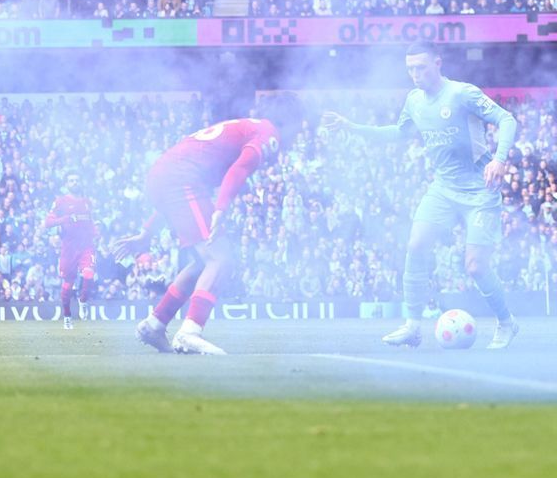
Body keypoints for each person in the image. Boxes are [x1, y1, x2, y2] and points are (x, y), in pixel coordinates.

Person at [321, 41, 522, 349]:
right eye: (411, 69)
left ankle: (506, 323)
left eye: (421, 67)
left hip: (480, 190)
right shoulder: (414, 100)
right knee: (415, 245)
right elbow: (398, 133)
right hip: (442, 188)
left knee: (475, 266)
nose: (415, 74)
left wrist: (500, 158)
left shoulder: (461, 93)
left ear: (437, 63)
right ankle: (413, 325)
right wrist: (352, 127)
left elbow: (506, 119)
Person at [112, 95, 305, 355]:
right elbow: (241, 168)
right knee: (221, 259)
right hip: (180, 180)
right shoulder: (269, 132)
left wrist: (147, 232)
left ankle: (155, 324)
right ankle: (189, 333)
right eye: (299, 126)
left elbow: (172, 188)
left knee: (203, 263)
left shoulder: (248, 126)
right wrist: (221, 209)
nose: (297, 136)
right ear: (290, 121)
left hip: (168, 177)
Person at [43, 172, 98, 330]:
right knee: (68, 283)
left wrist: (96, 232)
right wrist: (64, 219)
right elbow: (48, 222)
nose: (75, 182)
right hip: (69, 248)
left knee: (89, 274)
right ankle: (67, 316)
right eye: (71, 180)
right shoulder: (60, 202)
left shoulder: (87, 202)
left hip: (86, 245)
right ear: (67, 183)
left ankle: (83, 300)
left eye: (77, 180)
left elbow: (91, 221)